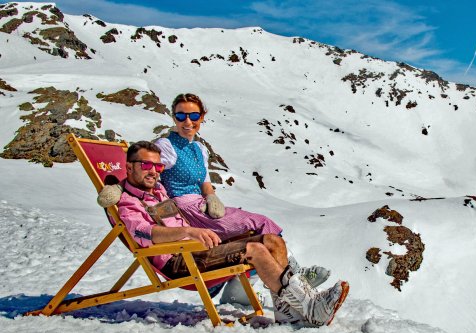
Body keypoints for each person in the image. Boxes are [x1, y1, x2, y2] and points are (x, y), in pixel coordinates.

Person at [99, 92, 331, 289]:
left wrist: (211, 196)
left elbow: (200, 178)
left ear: (202, 118)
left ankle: (239, 288)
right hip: (185, 210)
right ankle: (296, 278)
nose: (187, 121)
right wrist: (117, 189)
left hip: (200, 207)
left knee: (251, 235)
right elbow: (143, 169)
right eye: (181, 115)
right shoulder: (166, 147)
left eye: (193, 115)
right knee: (258, 224)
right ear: (174, 117)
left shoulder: (199, 148)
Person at [116, 141, 349, 326]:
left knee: (272, 241)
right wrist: (187, 230)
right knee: (255, 250)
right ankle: (312, 308)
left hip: (198, 252)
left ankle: (288, 313)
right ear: (129, 167)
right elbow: (143, 232)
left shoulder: (158, 190)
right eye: (146, 165)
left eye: (158, 166)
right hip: (180, 260)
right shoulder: (128, 202)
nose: (154, 172)